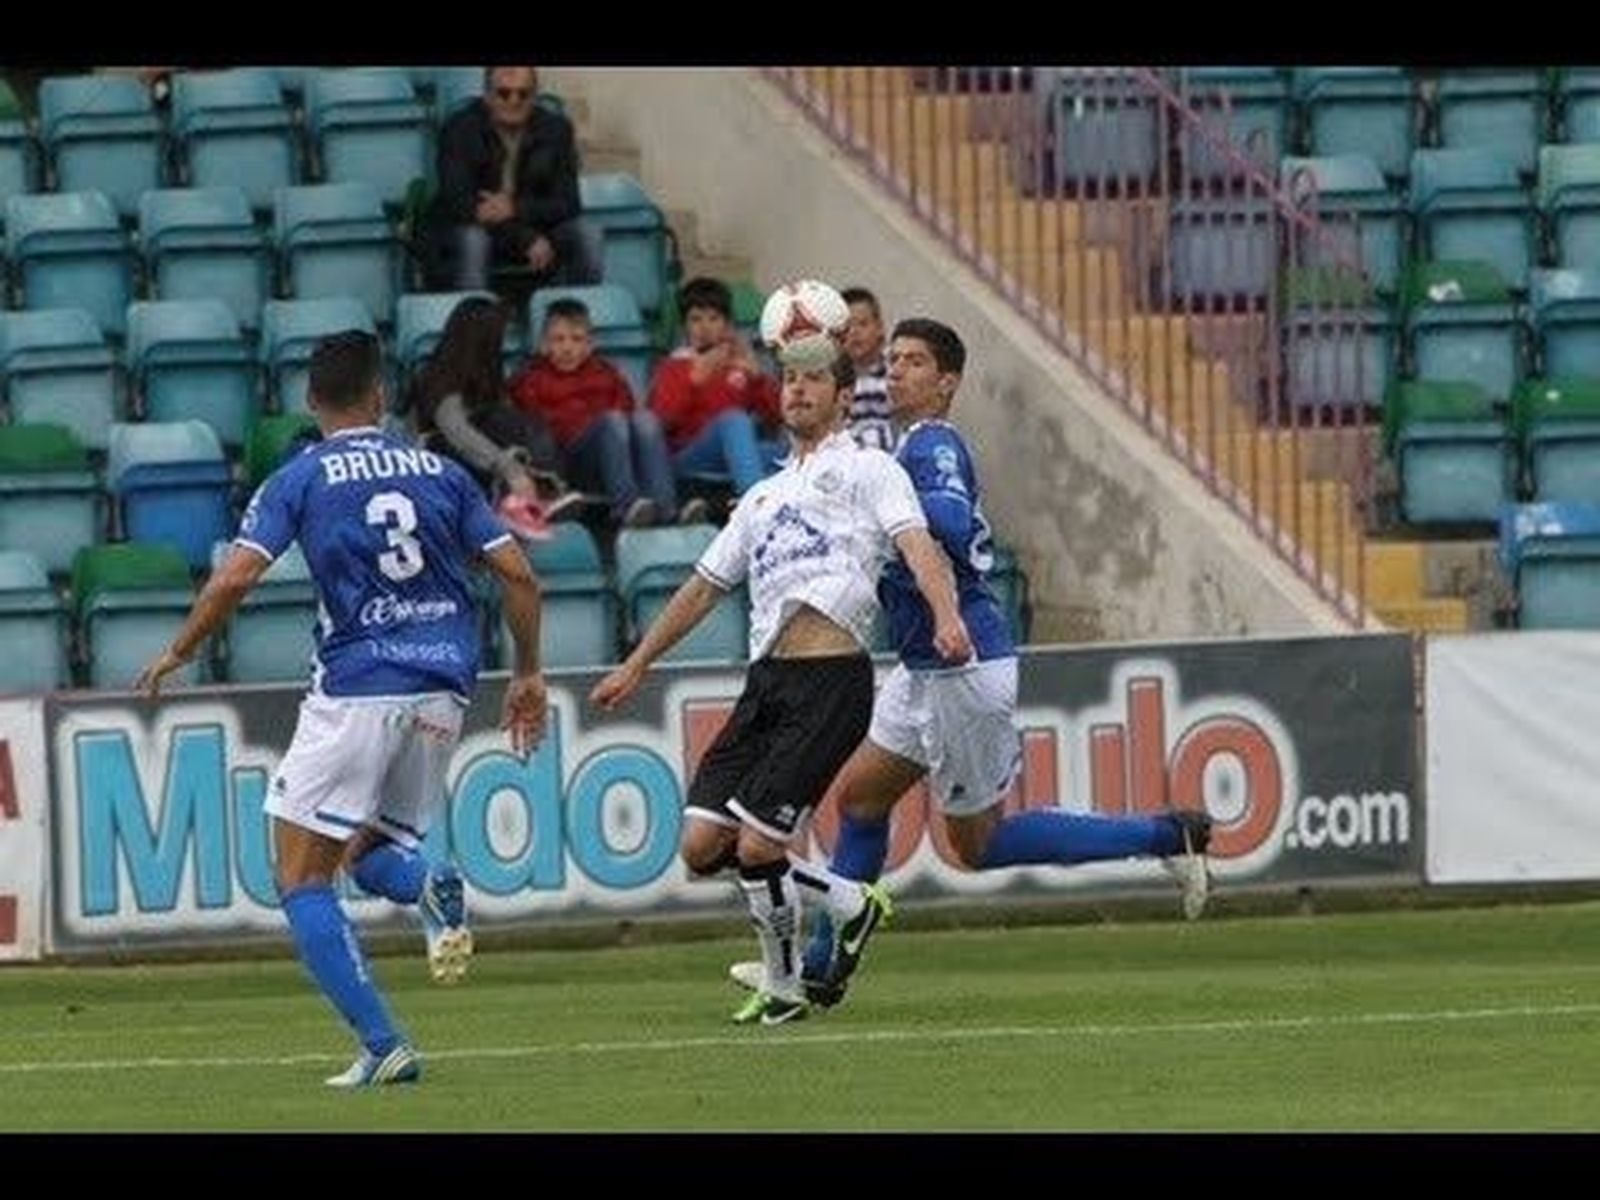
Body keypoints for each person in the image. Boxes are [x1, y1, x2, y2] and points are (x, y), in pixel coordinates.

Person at [730, 319, 1213, 1008]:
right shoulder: (900, 450)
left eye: (915, 361)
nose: (897, 371)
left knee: (977, 846)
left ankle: (1170, 834)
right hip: (923, 668)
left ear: (947, 383)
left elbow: (951, 524)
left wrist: (886, 519)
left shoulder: (933, 443)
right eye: (893, 359)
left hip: (963, 665)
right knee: (860, 801)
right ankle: (820, 966)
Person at [136, 330, 549, 1088]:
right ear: (380, 395)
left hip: (358, 685)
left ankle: (383, 1043)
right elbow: (519, 575)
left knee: (300, 879)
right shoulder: (442, 472)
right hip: (443, 687)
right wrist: (526, 672)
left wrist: (180, 649)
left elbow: (234, 579)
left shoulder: (300, 477)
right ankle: (426, 883)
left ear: (310, 400)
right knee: (368, 852)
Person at [591, 345, 975, 1025]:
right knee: (701, 846)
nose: (796, 389)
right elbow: (703, 587)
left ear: (845, 397)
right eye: (789, 379)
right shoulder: (761, 498)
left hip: (831, 679)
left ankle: (784, 982)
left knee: (759, 847)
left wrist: (946, 616)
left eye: (813, 379)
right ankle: (849, 901)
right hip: (767, 682)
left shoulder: (870, 468)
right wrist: (637, 662)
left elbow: (918, 545)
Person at [508, 297, 702, 527]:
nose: (567, 348)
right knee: (612, 421)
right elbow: (536, 429)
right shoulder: (532, 379)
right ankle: (626, 508)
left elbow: (628, 412)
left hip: (618, 455)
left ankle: (667, 508)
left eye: (577, 339)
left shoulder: (605, 373)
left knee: (645, 419)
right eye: (558, 339)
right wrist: (595, 424)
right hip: (571, 461)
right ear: (544, 345)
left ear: (589, 345)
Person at [407, 296, 581, 538]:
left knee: (512, 421)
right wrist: (510, 469)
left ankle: (537, 497)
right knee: (496, 430)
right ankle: (515, 504)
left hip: (485, 462)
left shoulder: (484, 379)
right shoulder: (441, 379)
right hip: (445, 462)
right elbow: (459, 434)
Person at [425, 65, 601, 292]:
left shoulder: (556, 130)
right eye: (504, 93)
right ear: (487, 96)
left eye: (523, 94)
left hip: (535, 226)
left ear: (534, 96)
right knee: (474, 239)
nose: (514, 101)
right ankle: (474, 311)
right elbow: (460, 204)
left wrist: (515, 208)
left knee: (587, 232)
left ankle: (577, 309)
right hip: (476, 230)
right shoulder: (459, 129)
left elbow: (569, 203)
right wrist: (523, 238)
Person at [649, 277, 784, 497]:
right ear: (684, 326)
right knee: (734, 419)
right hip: (689, 456)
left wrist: (757, 377)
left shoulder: (739, 366)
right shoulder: (674, 365)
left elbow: (776, 419)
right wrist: (694, 379)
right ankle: (753, 505)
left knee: (798, 452)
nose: (705, 327)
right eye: (696, 319)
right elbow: (662, 422)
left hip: (737, 451)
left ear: (727, 324)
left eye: (714, 318)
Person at [840, 287, 894, 451]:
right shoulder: (835, 380)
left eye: (863, 324)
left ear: (880, 328)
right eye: (847, 327)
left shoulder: (895, 371)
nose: (854, 332)